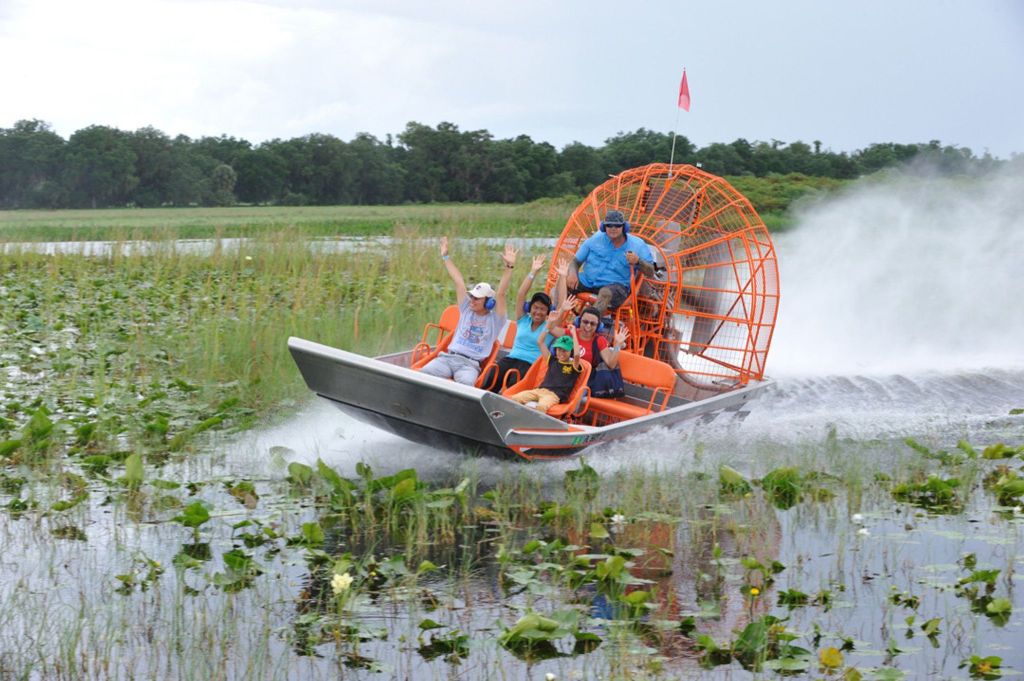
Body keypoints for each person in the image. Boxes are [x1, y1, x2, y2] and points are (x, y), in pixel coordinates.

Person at [419, 237, 516, 386]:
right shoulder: (466, 309)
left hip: (469, 365)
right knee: (423, 373)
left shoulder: (496, 320)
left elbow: (501, 293)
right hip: (448, 358)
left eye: (477, 298)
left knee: (466, 385)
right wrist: (445, 256)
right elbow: (458, 280)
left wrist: (509, 266)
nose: (472, 300)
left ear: (489, 303)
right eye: (471, 296)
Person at [565, 209, 655, 315]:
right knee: (562, 281)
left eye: (617, 226)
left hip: (616, 288)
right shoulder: (595, 239)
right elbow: (575, 262)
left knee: (605, 292)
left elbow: (651, 271)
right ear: (604, 227)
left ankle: (591, 322)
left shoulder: (637, 245)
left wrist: (638, 261)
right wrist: (572, 272)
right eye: (609, 225)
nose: (613, 229)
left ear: (624, 227)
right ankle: (553, 319)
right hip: (588, 282)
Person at [487, 254, 553, 392]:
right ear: (530, 308)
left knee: (512, 385)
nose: (538, 312)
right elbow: (521, 294)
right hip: (511, 359)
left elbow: (561, 310)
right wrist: (533, 272)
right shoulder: (523, 319)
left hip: (529, 365)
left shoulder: (549, 326)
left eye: (542, 309)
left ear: (547, 312)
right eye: (535, 308)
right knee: (492, 377)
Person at [508, 327, 583, 412]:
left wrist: (574, 334)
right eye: (559, 349)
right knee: (515, 398)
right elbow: (540, 342)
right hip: (539, 391)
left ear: (571, 351)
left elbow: (577, 355)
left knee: (541, 407)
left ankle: (535, 425)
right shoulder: (552, 360)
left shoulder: (573, 366)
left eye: (565, 350)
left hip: (554, 395)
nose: (561, 353)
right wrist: (548, 326)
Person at [548, 298, 629, 377]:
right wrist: (562, 310)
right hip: (564, 375)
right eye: (585, 322)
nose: (588, 326)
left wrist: (617, 345)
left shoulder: (599, 340)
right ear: (579, 321)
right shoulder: (572, 332)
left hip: (584, 380)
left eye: (592, 324)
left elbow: (611, 364)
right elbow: (551, 329)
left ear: (598, 327)